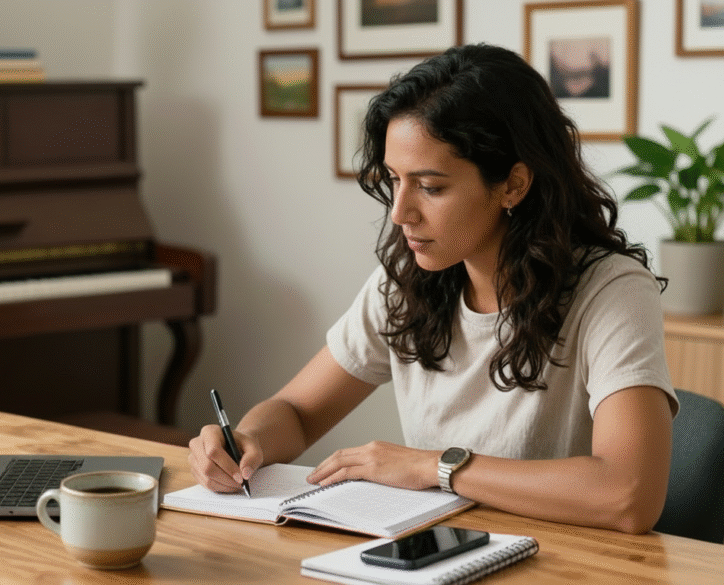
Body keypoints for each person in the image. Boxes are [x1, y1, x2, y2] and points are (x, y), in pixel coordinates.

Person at [189, 43, 677, 534]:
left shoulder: (611, 292)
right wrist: (245, 440)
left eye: (431, 187)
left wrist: (435, 467)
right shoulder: (407, 282)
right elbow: (296, 413)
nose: (400, 212)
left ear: (513, 185)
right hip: (443, 556)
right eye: (395, 180)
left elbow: (628, 494)